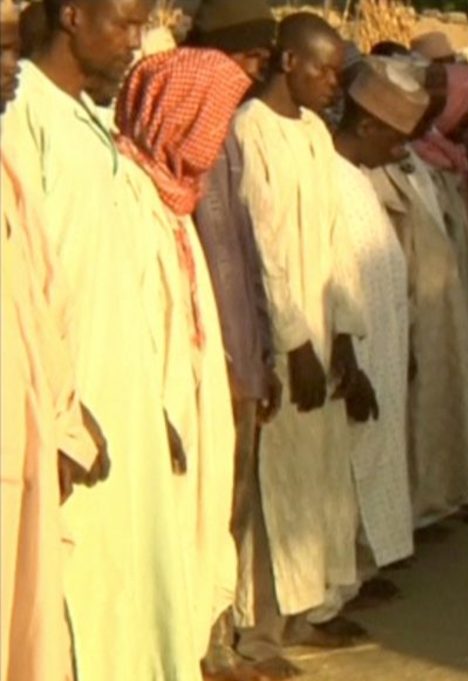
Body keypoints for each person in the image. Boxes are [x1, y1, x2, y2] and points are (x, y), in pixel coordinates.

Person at [3, 1, 226, 679]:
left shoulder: (97, 125)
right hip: (67, 410)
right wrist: (69, 413)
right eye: (124, 25)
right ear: (73, 16)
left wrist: (151, 401)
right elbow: (33, 285)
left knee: (137, 591)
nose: (136, 44)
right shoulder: (24, 113)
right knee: (73, 597)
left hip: (124, 402)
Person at [113, 48, 253, 681]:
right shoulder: (127, 198)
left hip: (191, 401)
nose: (215, 139)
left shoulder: (174, 198)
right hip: (153, 410)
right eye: (208, 120)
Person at [235, 11, 371, 650]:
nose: (333, 85)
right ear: (289, 62)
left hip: (324, 329)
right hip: (285, 340)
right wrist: (297, 344)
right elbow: (264, 248)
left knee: (324, 472)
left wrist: (342, 334)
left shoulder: (316, 132)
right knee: (282, 475)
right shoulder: (250, 131)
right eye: (324, 69)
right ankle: (277, 615)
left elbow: (336, 239)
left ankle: (316, 603)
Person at [182, 1, 300, 677]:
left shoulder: (224, 134)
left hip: (242, 358)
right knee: (206, 514)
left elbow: (246, 254)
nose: (258, 71)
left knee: (235, 514)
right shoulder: (191, 137)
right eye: (251, 57)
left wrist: (261, 353)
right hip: (204, 367)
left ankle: (227, 640)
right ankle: (208, 649)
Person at [2, 3, 107, 678]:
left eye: (11, 49)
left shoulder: (5, 171)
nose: (11, 68)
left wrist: (66, 422)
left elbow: (43, 302)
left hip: (21, 433)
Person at [319, 54, 431, 620]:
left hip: (380, 350)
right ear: (366, 126)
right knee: (343, 474)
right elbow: (327, 277)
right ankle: (326, 599)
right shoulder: (327, 179)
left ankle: (360, 572)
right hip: (351, 361)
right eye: (395, 139)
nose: (401, 152)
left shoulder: (361, 177)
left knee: (373, 463)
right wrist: (348, 363)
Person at [371, 59, 468, 527]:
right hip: (400, 308)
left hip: (433, 301)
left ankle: (429, 503)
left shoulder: (416, 162)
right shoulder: (379, 167)